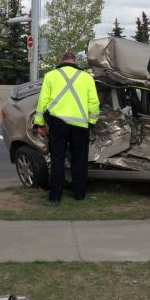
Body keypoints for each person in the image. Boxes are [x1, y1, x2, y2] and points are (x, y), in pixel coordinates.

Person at [34, 52, 99, 205]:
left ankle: (55, 197)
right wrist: (92, 121)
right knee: (80, 160)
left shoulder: (50, 76)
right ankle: (79, 194)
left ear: (61, 60)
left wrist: (40, 124)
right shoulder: (87, 78)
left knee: (57, 159)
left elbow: (42, 101)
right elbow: (94, 103)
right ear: (75, 61)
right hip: (80, 125)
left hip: (57, 123)